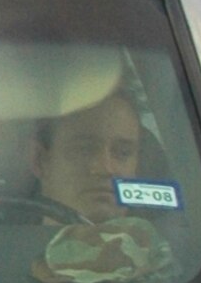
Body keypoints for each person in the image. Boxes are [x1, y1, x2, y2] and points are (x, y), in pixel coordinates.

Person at [33, 92, 142, 223]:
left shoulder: (166, 241)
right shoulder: (5, 243)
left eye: (123, 152)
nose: (106, 168)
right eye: (84, 150)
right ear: (40, 161)